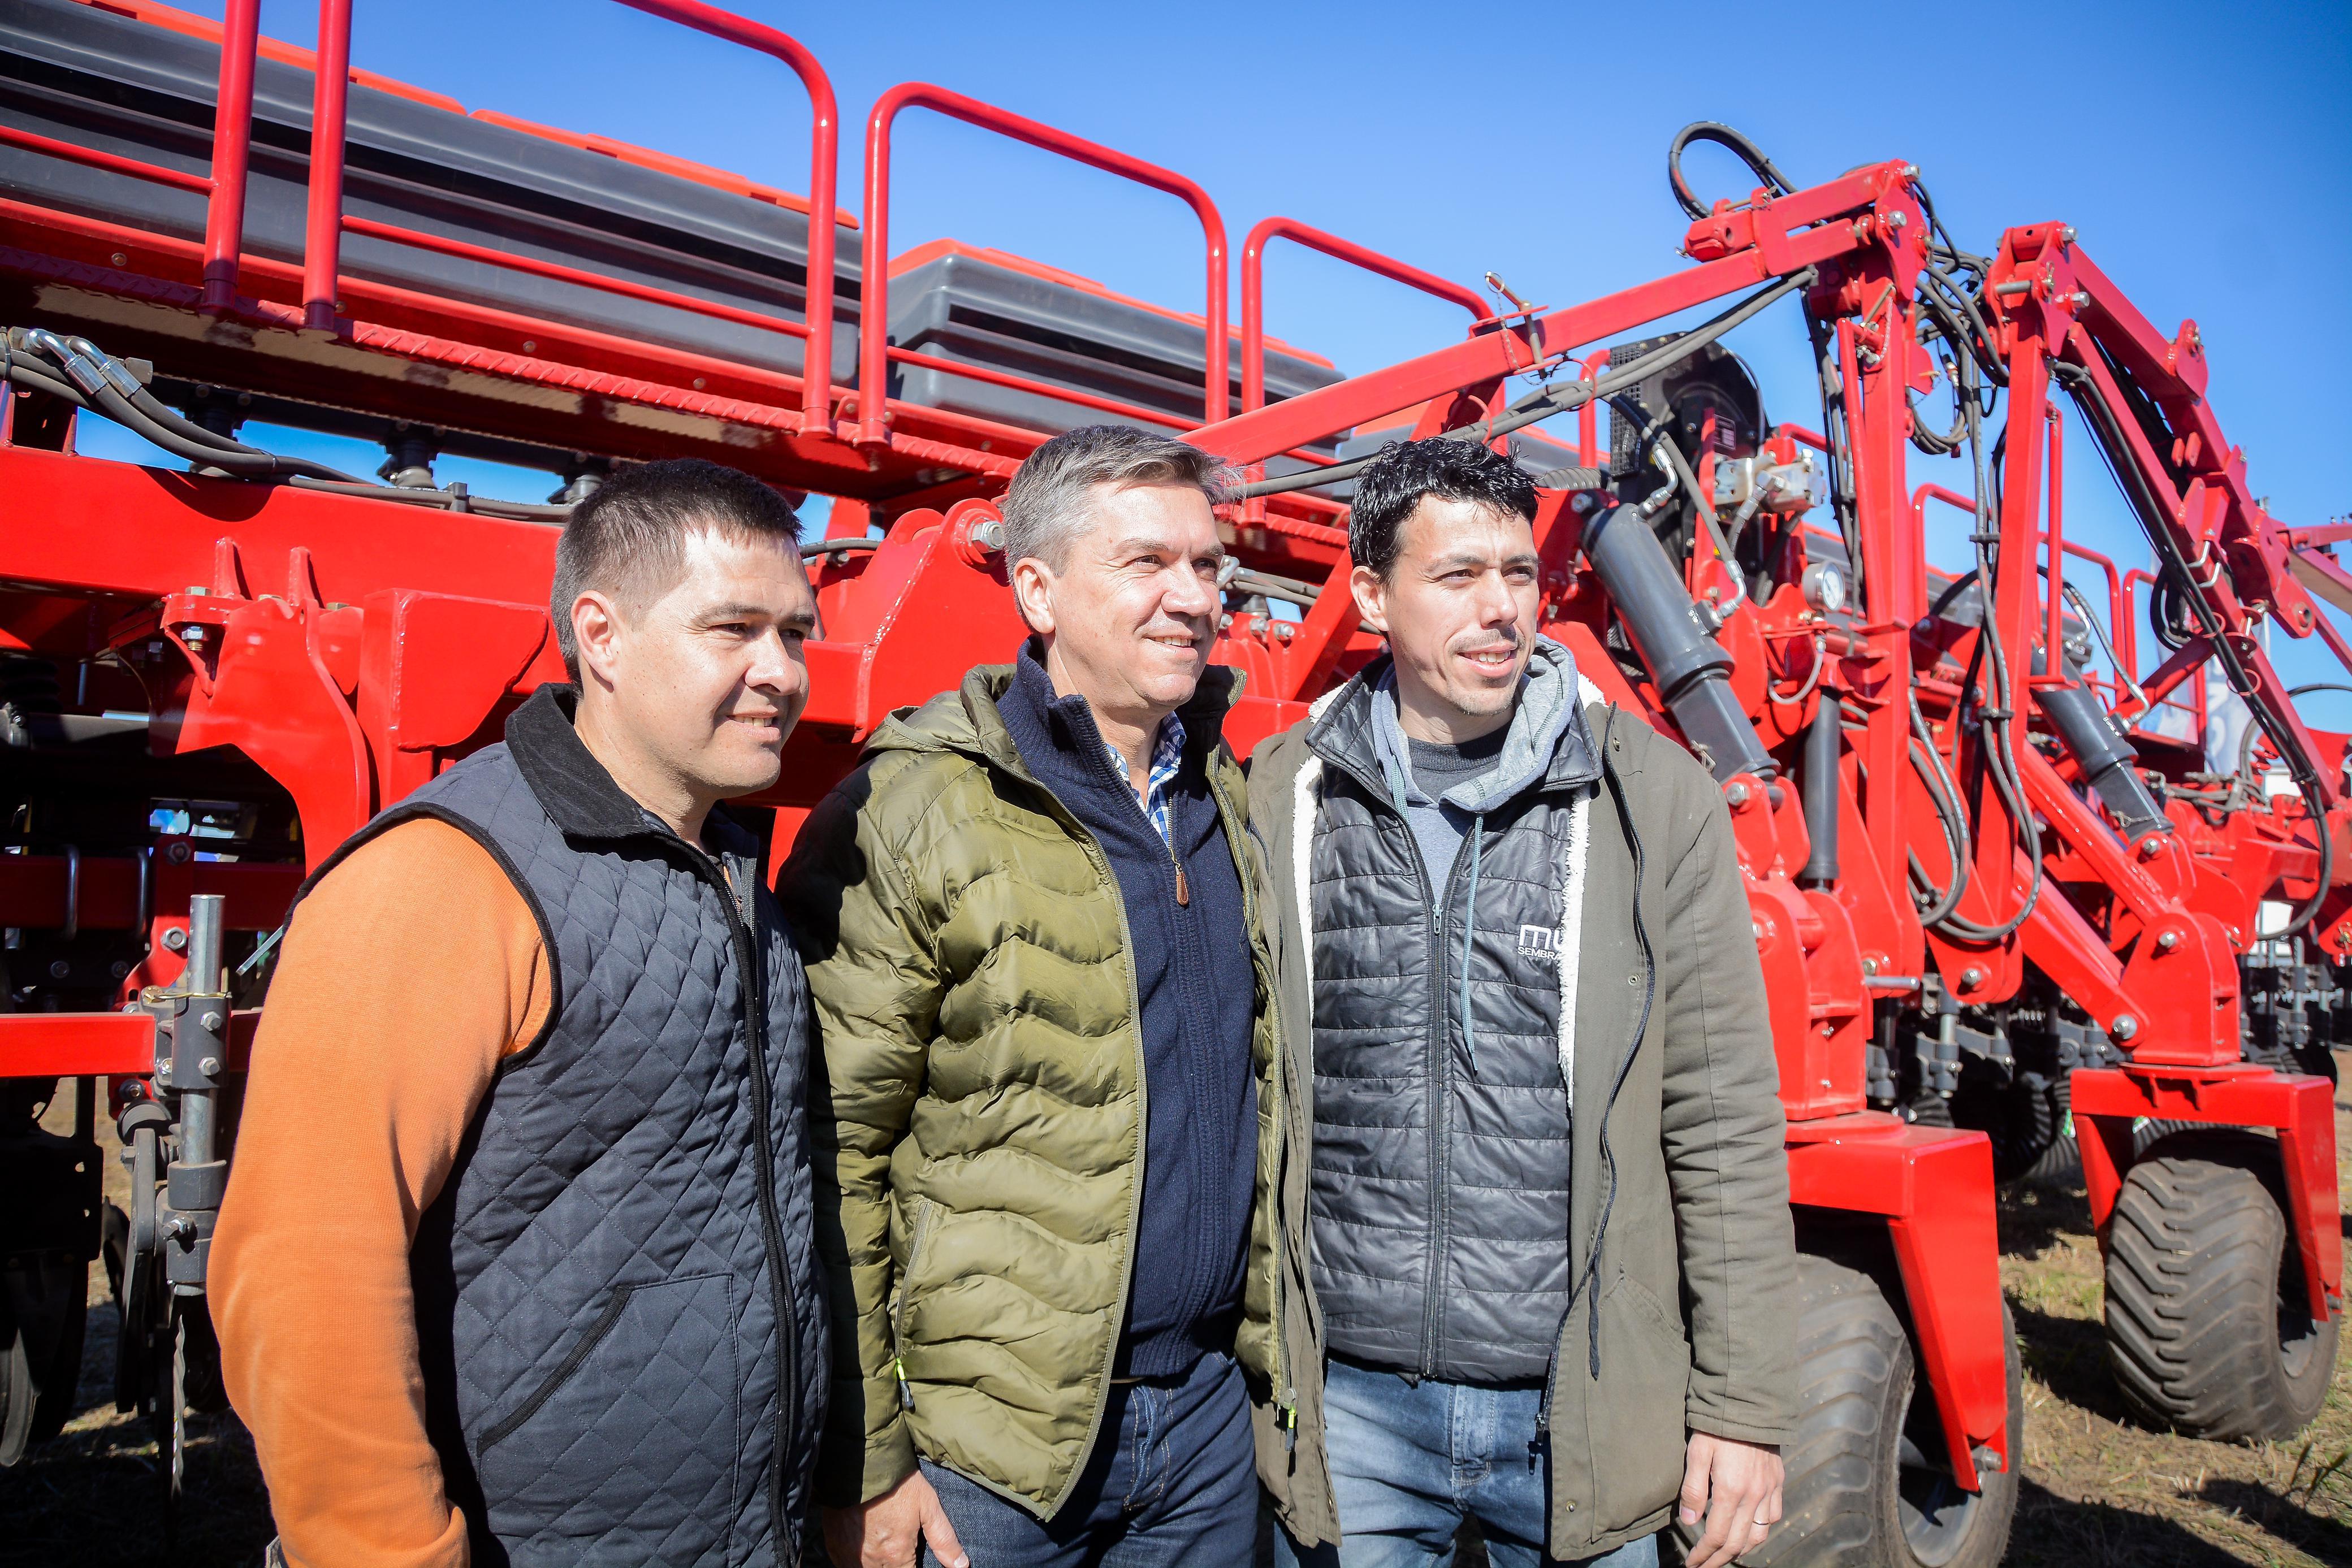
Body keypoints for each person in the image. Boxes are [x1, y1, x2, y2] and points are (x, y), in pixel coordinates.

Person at [211, 458, 830, 1567]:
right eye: (733, 629)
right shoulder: (444, 877)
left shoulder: (738, 877)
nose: (780, 672)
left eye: (797, 632)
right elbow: (306, 1271)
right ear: (600, 634)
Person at [1250, 438, 1800, 1568]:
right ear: (1369, 594)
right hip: (1349, 1406)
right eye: (1456, 576)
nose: (1499, 608)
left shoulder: (1650, 799)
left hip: (1582, 1401)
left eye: (1516, 574)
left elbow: (1722, 1121)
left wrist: (1742, 1407)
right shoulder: (1283, 792)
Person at [780, 425, 1317, 1568]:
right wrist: (867, 1459)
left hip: (1207, 1430)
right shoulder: (917, 805)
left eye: (1206, 565)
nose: (1192, 598)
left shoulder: (1233, 799)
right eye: (1145, 564)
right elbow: (832, 1152)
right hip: (988, 1455)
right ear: (1036, 587)